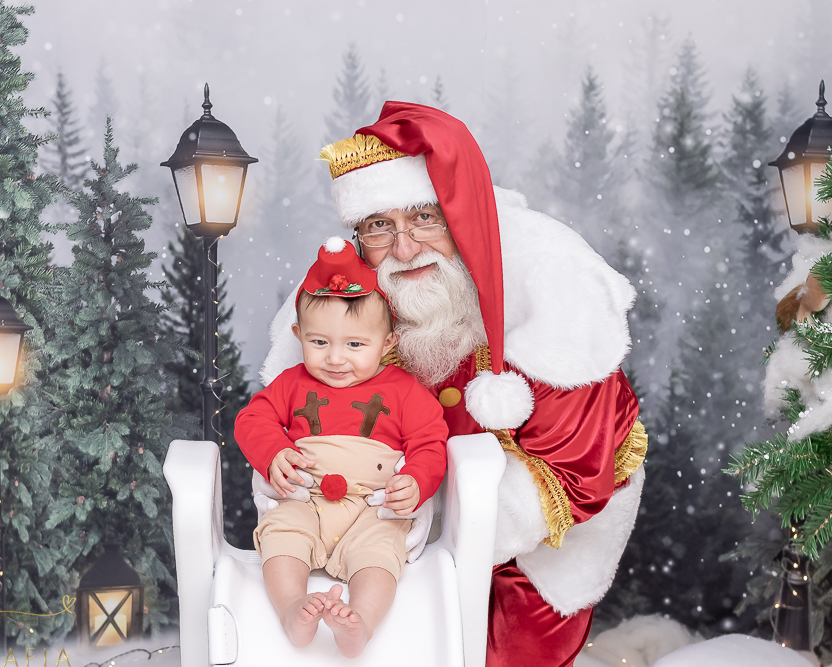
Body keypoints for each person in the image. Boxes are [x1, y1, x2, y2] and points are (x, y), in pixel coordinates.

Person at [259, 103, 647, 667]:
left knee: (511, 650)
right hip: (383, 504)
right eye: (379, 226)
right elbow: (291, 405)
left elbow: (575, 474)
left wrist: (427, 538)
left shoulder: (552, 286)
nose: (405, 248)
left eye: (424, 218)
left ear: (460, 214)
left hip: (545, 517)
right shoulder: (344, 294)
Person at [235, 237, 449, 658]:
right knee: (282, 536)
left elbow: (430, 442)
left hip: (374, 505)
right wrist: (274, 451)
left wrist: (416, 481)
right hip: (306, 498)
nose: (335, 359)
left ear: (388, 343)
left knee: (380, 551)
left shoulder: (404, 391)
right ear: (298, 335)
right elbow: (252, 420)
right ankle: (292, 607)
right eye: (319, 343)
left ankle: (361, 622)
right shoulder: (292, 383)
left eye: (354, 345)